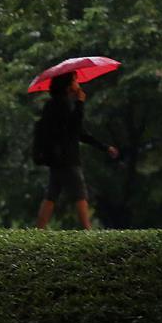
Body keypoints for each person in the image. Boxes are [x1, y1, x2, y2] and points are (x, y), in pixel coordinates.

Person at [36, 71, 118, 230]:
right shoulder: (64, 105)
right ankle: (87, 230)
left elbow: (79, 133)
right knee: (80, 194)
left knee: (51, 195)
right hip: (68, 158)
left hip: (55, 159)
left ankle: (39, 229)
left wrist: (104, 147)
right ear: (67, 86)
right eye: (74, 80)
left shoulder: (51, 105)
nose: (78, 83)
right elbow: (75, 129)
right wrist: (80, 103)